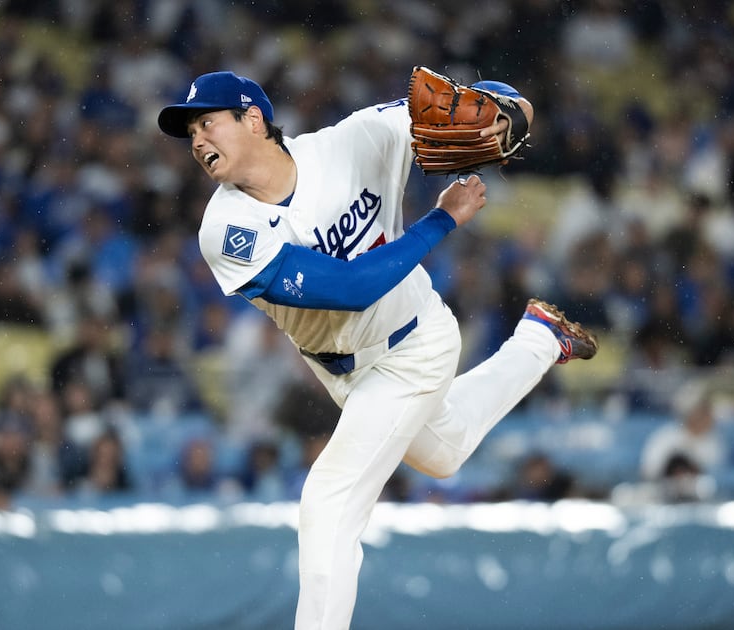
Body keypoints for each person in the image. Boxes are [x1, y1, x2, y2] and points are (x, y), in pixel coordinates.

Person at [158, 70, 597, 630]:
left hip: (415, 342)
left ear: (253, 120)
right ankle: (540, 338)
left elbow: (505, 104)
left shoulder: (356, 141)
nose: (197, 140)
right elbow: (348, 289)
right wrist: (443, 218)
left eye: (207, 122)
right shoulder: (225, 229)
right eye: (190, 130)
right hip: (345, 372)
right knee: (444, 450)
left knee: (329, 502)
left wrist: (506, 112)